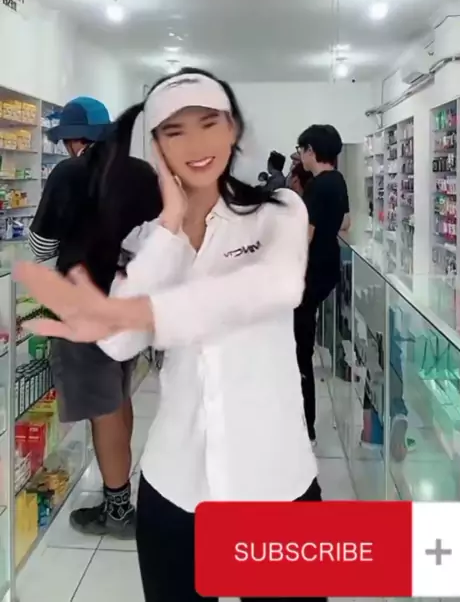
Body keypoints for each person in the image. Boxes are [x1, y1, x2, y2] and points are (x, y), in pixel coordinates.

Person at [17, 69, 324, 602]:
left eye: (208, 125)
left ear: (232, 132)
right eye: (173, 132)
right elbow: (118, 344)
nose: (194, 145)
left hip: (276, 484)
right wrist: (171, 229)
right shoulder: (147, 240)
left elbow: (271, 289)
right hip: (176, 487)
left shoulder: (278, 213)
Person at [28, 96, 162, 538]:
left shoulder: (69, 173)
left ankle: (118, 510)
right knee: (119, 395)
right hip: (129, 303)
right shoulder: (141, 172)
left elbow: (40, 247)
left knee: (103, 407)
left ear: (73, 140)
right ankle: (119, 494)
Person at [295, 124, 350, 444]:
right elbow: (346, 222)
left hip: (310, 274)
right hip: (329, 268)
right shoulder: (338, 180)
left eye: (301, 150)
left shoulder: (316, 186)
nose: (300, 156)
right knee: (303, 345)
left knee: (300, 352)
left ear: (311, 151)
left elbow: (306, 236)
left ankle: (306, 427)